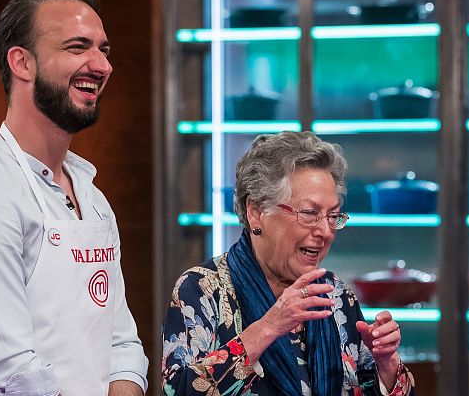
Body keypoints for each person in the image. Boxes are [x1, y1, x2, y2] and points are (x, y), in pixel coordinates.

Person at [0, 0, 148, 394]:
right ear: (22, 63)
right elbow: (15, 375)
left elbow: (122, 345)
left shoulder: (92, 197)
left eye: (104, 50)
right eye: (78, 47)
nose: (102, 66)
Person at [161, 131, 415, 395]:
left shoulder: (336, 296)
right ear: (257, 213)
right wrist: (270, 326)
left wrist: (386, 365)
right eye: (309, 213)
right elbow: (177, 391)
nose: (326, 232)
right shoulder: (201, 289)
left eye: (333, 216)